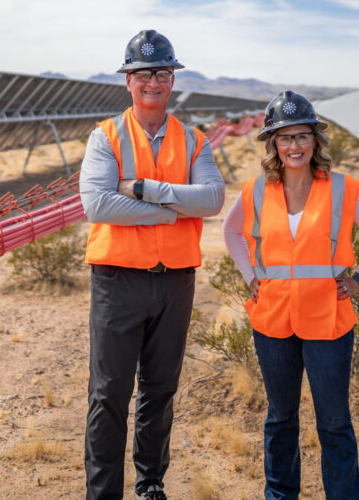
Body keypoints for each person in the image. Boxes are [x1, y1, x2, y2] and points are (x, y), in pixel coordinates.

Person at [223, 90, 359, 499]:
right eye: (285, 138)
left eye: (302, 136)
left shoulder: (343, 188)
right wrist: (250, 276)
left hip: (328, 321)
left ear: (316, 140)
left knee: (334, 421)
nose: (294, 146)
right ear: (273, 144)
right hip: (273, 321)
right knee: (280, 418)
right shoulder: (255, 191)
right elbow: (231, 232)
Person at [80, 29, 225, 500]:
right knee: (109, 396)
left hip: (175, 283)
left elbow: (213, 199)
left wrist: (145, 191)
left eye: (162, 73)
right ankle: (103, 495)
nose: (153, 82)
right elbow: (98, 205)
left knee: (160, 390)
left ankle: (150, 483)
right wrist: (174, 210)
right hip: (117, 282)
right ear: (128, 81)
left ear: (172, 79)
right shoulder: (105, 136)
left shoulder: (194, 140)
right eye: (142, 74)